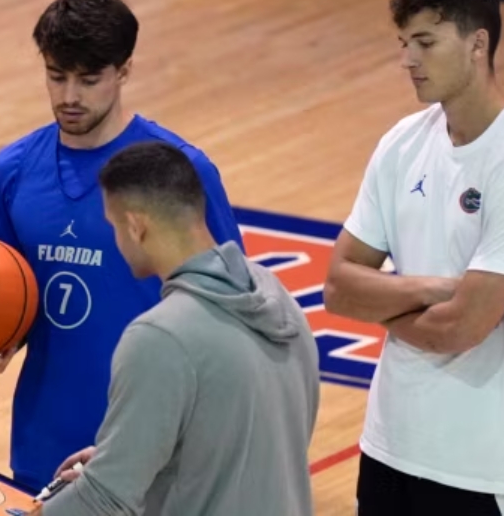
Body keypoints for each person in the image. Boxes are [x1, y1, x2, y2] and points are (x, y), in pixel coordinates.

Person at [0, 0, 243, 489]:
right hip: (44, 445)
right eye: (56, 76)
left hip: (157, 450)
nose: (69, 96)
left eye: (89, 79)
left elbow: (232, 310)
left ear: (125, 70)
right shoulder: (12, 171)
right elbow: (5, 298)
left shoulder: (180, 172)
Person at [324, 0, 504, 516]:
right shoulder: (402, 143)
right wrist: (435, 289)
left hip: (481, 469)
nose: (408, 60)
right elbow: (338, 287)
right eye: (404, 43)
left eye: (426, 42)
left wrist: (382, 304)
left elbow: (462, 328)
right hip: (387, 449)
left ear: (478, 44)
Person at [34, 141, 319, 516]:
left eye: (113, 226)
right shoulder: (273, 292)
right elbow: (253, 439)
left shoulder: (160, 337)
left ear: (135, 226)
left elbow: (105, 500)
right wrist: (129, 454)